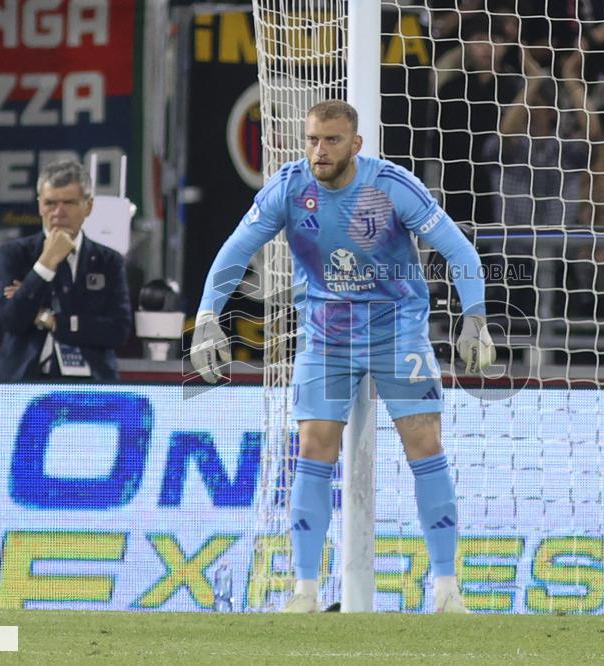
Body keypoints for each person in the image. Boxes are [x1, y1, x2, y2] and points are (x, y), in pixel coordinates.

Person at [189, 100, 495, 613]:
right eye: (312, 140)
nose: (319, 150)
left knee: (425, 442)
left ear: (355, 144)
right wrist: (205, 317)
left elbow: (459, 250)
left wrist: (476, 317)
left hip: (396, 332)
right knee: (312, 448)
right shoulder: (289, 188)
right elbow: (235, 251)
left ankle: (446, 588)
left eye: (331, 140)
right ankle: (305, 591)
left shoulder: (391, 186)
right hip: (327, 336)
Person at [0, 159, 132, 381]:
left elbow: (118, 330)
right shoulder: (15, 254)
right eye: (50, 203)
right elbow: (12, 319)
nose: (58, 212)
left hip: (92, 382)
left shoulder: (109, 261)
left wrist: (50, 319)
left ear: (88, 206)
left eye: (69, 202)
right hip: (24, 380)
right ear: (39, 206)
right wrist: (45, 264)